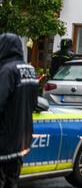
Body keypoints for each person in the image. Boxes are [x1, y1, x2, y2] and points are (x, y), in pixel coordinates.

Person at [0, 33, 38, 188]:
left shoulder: (7, 70)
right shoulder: (30, 69)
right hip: (21, 137)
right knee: (12, 179)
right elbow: (34, 101)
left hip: (4, 137)